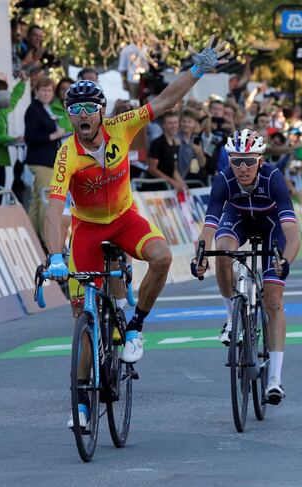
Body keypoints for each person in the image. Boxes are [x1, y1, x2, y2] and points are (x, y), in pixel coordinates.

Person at [44, 36, 230, 426]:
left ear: (101, 112)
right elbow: (54, 207)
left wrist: (197, 69)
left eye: (88, 109)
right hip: (88, 229)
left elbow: (165, 101)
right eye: (73, 109)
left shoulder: (121, 127)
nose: (82, 115)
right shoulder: (67, 153)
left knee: (161, 257)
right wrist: (56, 256)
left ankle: (134, 326)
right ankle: (80, 405)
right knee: (84, 319)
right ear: (68, 114)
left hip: (127, 218)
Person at [191, 128, 300, 405]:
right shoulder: (224, 179)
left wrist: (285, 260)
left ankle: (274, 379)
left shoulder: (273, 178)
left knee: (273, 300)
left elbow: (291, 231)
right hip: (237, 218)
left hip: (271, 226)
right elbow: (208, 229)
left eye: (249, 161)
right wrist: (200, 256)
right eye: (236, 160)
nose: (242, 167)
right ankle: (231, 318)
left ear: (260, 160)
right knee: (223, 253)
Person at [24, 76, 66, 244]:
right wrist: (53, 135)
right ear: (36, 91)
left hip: (47, 160)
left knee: (36, 200)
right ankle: (47, 241)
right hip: (41, 161)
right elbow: (30, 137)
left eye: (49, 90)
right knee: (45, 201)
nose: (46, 93)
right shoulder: (34, 109)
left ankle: (30, 237)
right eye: (43, 90)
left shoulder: (44, 108)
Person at [0, 76, 27, 205]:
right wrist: (12, 138)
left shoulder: (0, 110)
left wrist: (23, 81)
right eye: (4, 92)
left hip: (0, 160)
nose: (7, 95)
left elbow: (14, 98)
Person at [147, 111, 187, 191]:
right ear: (164, 125)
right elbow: (152, 169)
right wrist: (172, 182)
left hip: (167, 189)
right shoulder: (157, 143)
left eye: (175, 123)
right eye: (170, 123)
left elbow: (172, 169)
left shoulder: (175, 143)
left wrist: (183, 184)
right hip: (154, 188)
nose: (173, 126)